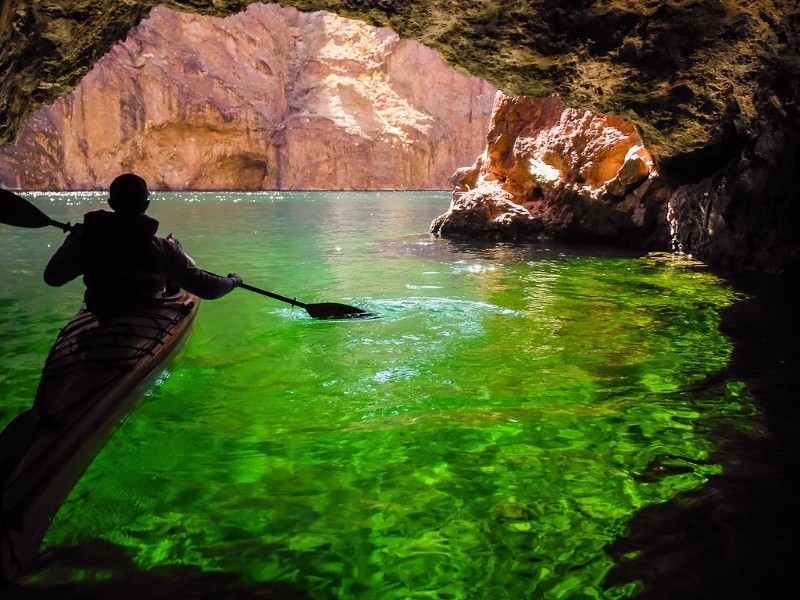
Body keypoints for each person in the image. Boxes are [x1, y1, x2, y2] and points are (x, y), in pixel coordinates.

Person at [43, 173, 242, 307]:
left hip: (102, 313)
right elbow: (207, 288)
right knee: (176, 253)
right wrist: (233, 281)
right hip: (146, 315)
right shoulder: (161, 249)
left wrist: (73, 238)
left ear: (111, 204)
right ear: (146, 204)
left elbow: (52, 278)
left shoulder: (87, 242)